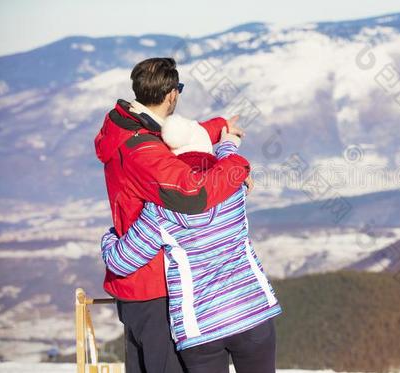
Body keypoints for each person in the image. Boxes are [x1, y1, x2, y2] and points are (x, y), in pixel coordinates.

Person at [94, 57, 251, 373]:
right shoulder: (144, 152)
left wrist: (218, 127)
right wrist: (236, 165)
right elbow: (193, 193)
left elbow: (174, 137)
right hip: (158, 287)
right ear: (172, 95)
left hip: (137, 285)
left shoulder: (126, 126)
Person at [101, 113, 282, 373]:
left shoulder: (159, 210)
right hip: (251, 313)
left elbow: (123, 261)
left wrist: (109, 236)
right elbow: (228, 162)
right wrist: (228, 140)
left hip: (200, 329)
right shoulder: (234, 188)